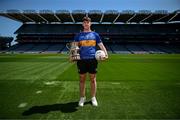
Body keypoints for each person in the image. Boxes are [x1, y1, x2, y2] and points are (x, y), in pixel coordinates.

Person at [74, 16, 108, 107]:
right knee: (82, 79)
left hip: (93, 59)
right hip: (81, 60)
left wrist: (106, 53)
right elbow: (75, 47)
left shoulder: (95, 34)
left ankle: (93, 97)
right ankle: (82, 97)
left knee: (93, 79)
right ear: (82, 24)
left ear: (90, 23)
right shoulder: (78, 35)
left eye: (87, 22)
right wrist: (74, 53)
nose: (86, 24)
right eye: (84, 22)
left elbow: (101, 45)